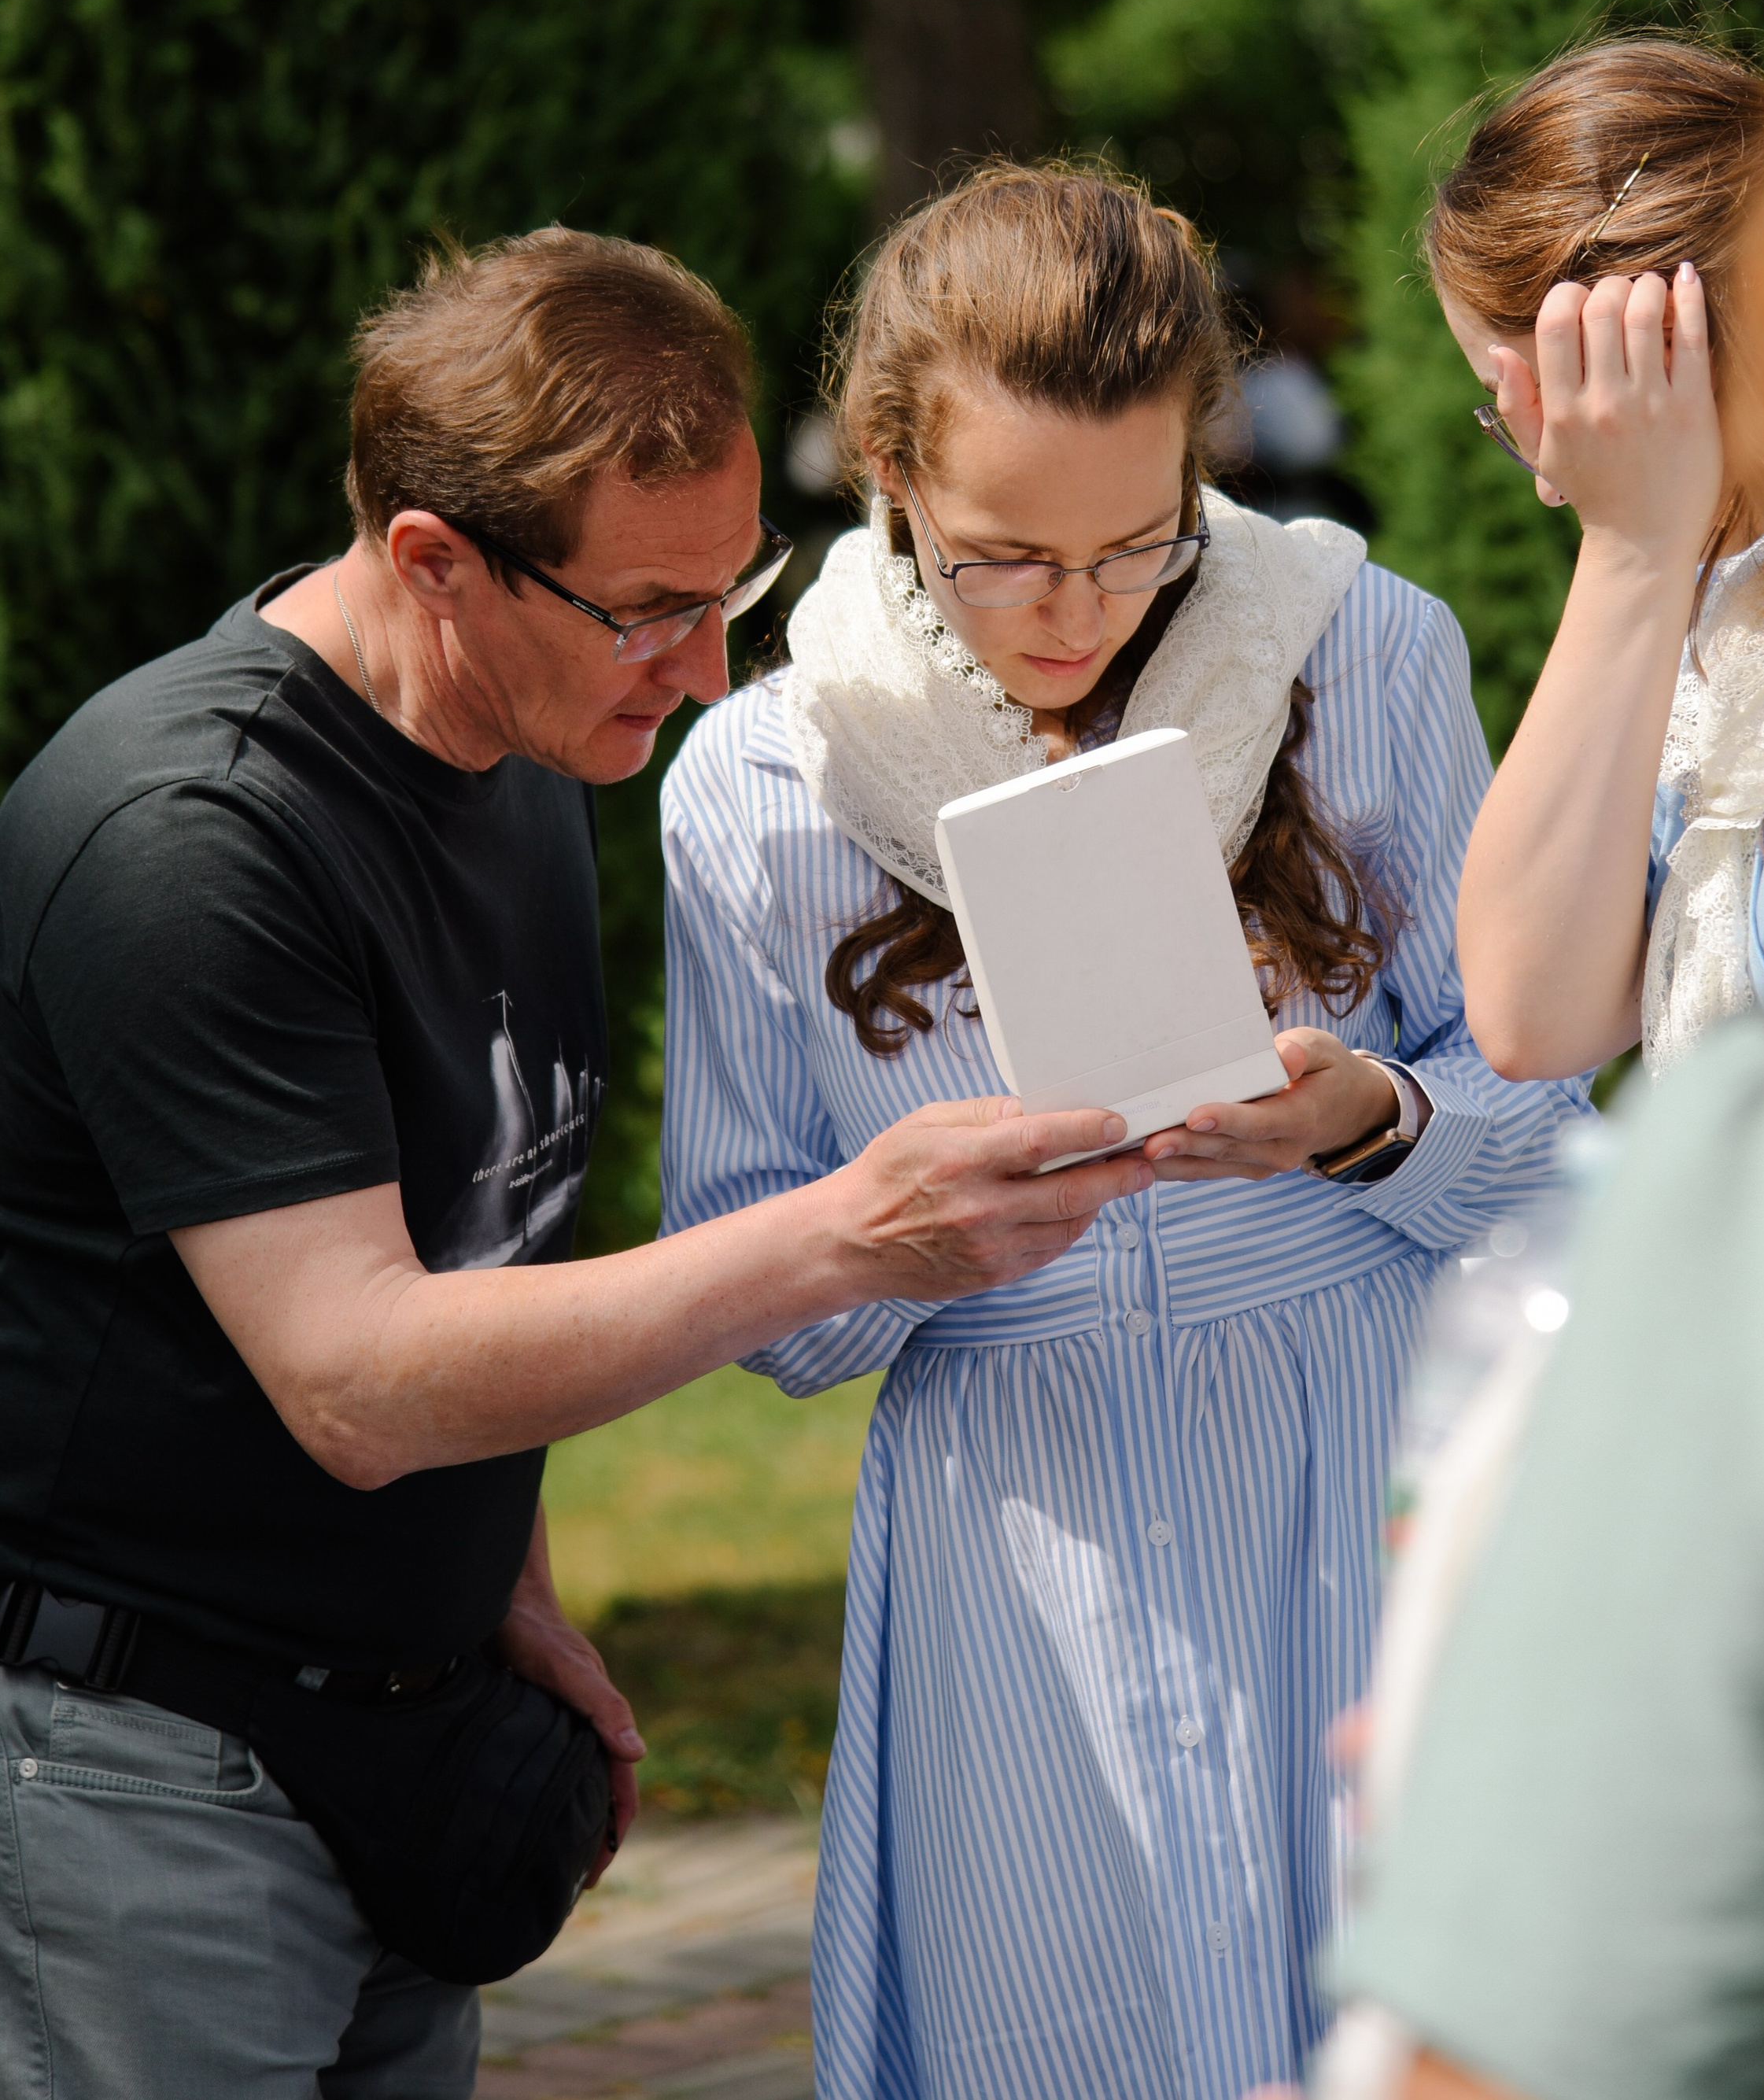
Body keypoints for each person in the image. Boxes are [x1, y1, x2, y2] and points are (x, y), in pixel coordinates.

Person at [0, 227, 1151, 2100]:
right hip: (146, 1771)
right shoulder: (193, 842)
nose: (701, 672)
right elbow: (358, 1375)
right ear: (434, 562)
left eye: (732, 588)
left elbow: (483, 1227)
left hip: (408, 1737)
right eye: (643, 611)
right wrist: (845, 1239)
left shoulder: (525, 752)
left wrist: (509, 1591)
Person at [658, 165, 1592, 2100]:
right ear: (890, 470)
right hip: (1020, 1534)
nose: (1072, 611)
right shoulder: (759, 774)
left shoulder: (1368, 653)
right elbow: (751, 1291)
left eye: (1135, 545)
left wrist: (1367, 1115)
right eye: (1002, 555)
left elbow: (1544, 1112)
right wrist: (890, 1228)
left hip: (1344, 1470)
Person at [1321, 0, 1764, 2097]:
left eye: (1513, 378)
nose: (1517, 441)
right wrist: (1630, 554)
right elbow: (1531, 1003)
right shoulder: (1694, 631)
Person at [1426, 33, 1764, 1082]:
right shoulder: (1716, 622)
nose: (1550, 480)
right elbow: (1528, 1016)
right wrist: (1631, 553)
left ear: (1651, 354)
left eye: (1525, 416)